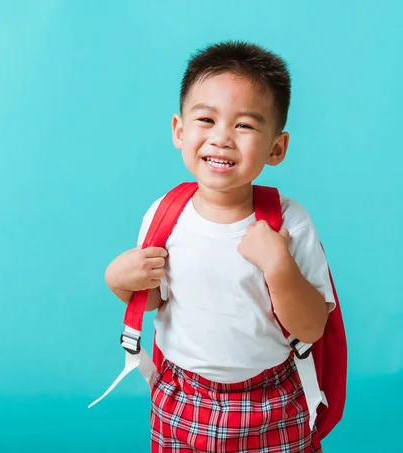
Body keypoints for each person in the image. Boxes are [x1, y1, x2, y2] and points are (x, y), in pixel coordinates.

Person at [104, 41, 336, 452]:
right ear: (179, 130)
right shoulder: (165, 214)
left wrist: (278, 265)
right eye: (207, 119)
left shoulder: (288, 222)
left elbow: (311, 327)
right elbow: (157, 297)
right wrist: (119, 281)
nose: (223, 138)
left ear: (276, 148)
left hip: (272, 398)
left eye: (244, 125)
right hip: (182, 395)